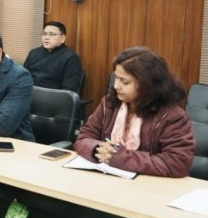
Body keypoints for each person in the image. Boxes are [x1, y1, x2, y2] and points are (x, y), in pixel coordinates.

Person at [74, 47, 195, 177]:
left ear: (147, 84)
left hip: (149, 184)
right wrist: (97, 149)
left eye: (125, 82)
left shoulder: (172, 116)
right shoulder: (109, 103)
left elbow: (177, 163)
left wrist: (119, 157)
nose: (116, 86)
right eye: (116, 78)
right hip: (108, 178)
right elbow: (84, 137)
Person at [23, 21, 84, 93]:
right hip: (29, 94)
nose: (46, 37)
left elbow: (68, 90)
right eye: (44, 34)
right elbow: (23, 78)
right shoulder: (33, 53)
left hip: (53, 97)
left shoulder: (71, 58)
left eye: (52, 34)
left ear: (63, 38)